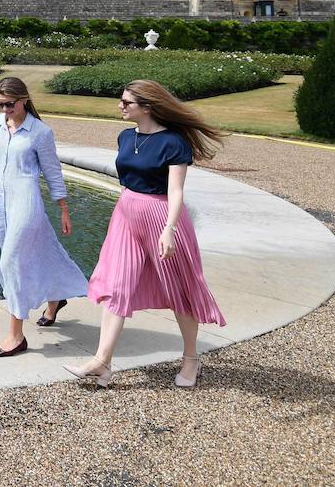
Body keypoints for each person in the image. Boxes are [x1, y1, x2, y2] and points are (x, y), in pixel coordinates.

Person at [65, 79, 227, 389]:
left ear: (147, 107)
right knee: (116, 284)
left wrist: (169, 229)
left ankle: (191, 358)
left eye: (127, 102)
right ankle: (102, 362)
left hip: (160, 216)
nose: (120, 106)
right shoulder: (125, 137)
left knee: (180, 289)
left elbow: (176, 191)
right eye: (121, 101)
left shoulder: (173, 142)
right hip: (127, 214)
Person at [0, 76, 89, 358]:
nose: (4, 109)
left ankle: (16, 335)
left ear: (24, 100)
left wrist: (63, 209)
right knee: (37, 254)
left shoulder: (40, 133)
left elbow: (53, 173)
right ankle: (56, 299)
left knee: (12, 262)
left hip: (26, 202)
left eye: (9, 104)